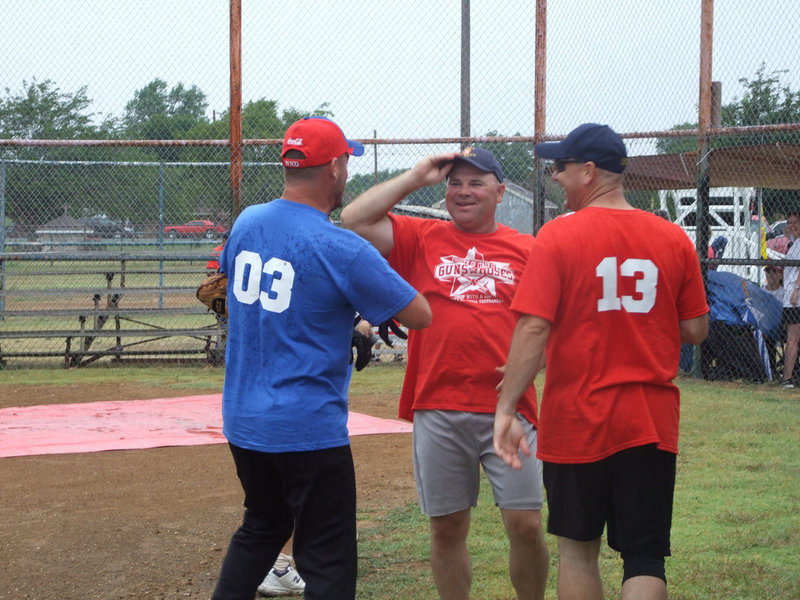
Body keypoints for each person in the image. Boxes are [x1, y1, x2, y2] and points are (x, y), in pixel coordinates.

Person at [212, 116, 432, 600]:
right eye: (345, 161)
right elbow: (419, 315)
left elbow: (250, 291)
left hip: (244, 419)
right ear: (333, 168)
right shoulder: (340, 246)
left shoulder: (249, 221)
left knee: (263, 526)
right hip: (306, 428)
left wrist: (347, 319)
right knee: (328, 560)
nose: (346, 170)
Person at [493, 123, 709, 600]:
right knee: (645, 556)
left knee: (577, 551)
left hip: (578, 419)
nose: (555, 177)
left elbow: (533, 327)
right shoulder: (672, 238)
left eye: (561, 168)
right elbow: (695, 329)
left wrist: (506, 408)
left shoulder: (559, 236)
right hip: (650, 420)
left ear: (589, 171)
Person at [341, 147, 549, 600]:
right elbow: (353, 221)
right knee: (447, 528)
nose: (463, 191)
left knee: (526, 524)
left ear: (500, 191)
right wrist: (417, 176)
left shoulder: (528, 249)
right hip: (439, 404)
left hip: (509, 410)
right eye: (455, 183)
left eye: (476, 182)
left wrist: (536, 361)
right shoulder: (423, 237)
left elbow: (551, 325)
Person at [780, 212, 800, 388]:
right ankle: (787, 374)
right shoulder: (794, 243)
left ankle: (787, 378)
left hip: (796, 298)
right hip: (789, 297)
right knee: (792, 337)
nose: (792, 225)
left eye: (796, 222)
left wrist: (796, 289)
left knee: (792, 338)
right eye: (790, 222)